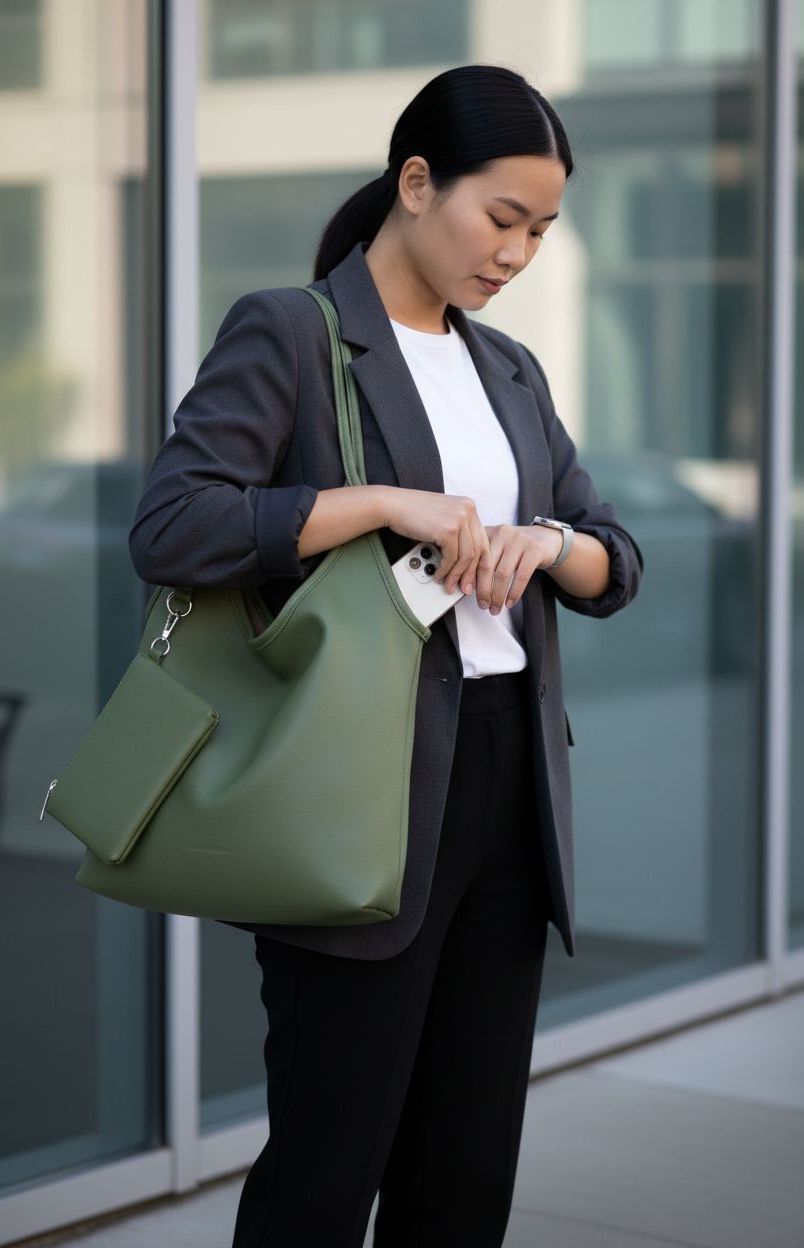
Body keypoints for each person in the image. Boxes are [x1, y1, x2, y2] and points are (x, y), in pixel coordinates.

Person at [129, 64, 642, 1248]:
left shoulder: (507, 367)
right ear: (415, 183)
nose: (517, 253)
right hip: (358, 785)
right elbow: (171, 527)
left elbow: (616, 562)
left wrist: (548, 541)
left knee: (464, 1176)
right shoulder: (293, 334)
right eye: (500, 217)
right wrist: (374, 504)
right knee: (327, 1163)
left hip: (508, 786)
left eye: (542, 230)